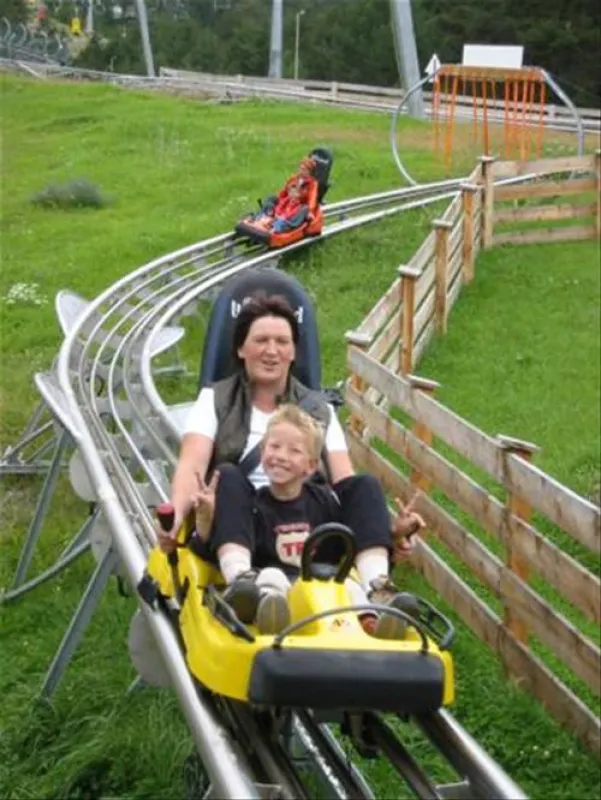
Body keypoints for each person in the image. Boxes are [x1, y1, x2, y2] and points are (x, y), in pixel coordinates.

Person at [159, 291, 424, 615]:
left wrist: (385, 530)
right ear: (241, 349)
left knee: (364, 485)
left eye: (282, 341)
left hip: (307, 519)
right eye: (261, 340)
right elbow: (192, 467)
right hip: (244, 522)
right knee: (226, 475)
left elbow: (344, 481)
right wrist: (176, 519)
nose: (272, 350)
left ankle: (378, 588)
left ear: (293, 352)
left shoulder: (319, 410)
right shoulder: (216, 400)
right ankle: (243, 583)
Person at [189, 404, 420, 637]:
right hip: (277, 588)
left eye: (294, 451)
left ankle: (378, 600)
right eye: (274, 447)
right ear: (262, 452)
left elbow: (357, 536)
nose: (280, 456)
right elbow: (216, 545)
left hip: (325, 592)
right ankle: (255, 603)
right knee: (271, 577)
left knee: (350, 582)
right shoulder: (254, 506)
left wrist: (394, 535)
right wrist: (206, 518)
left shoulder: (325, 502)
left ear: (310, 466)